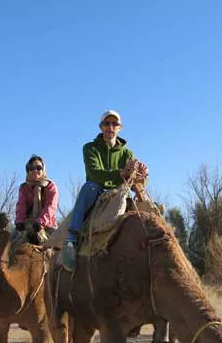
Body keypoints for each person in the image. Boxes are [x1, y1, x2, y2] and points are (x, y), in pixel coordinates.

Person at [61, 110, 148, 271]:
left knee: (150, 212)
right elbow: (95, 173)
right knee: (89, 187)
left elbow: (135, 180)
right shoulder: (90, 148)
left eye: (114, 124)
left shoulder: (127, 153)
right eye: (107, 123)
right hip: (97, 191)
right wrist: (121, 173)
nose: (110, 127)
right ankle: (71, 240)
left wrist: (141, 174)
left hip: (120, 193)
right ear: (101, 127)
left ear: (120, 128)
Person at [15, 155, 58, 244]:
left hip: (47, 225)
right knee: (10, 245)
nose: (35, 170)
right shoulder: (24, 187)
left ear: (43, 170)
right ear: (28, 170)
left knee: (61, 246)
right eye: (32, 168)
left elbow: (51, 206)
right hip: (27, 225)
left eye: (39, 168)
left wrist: (40, 222)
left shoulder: (51, 186)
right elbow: (21, 205)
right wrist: (20, 221)